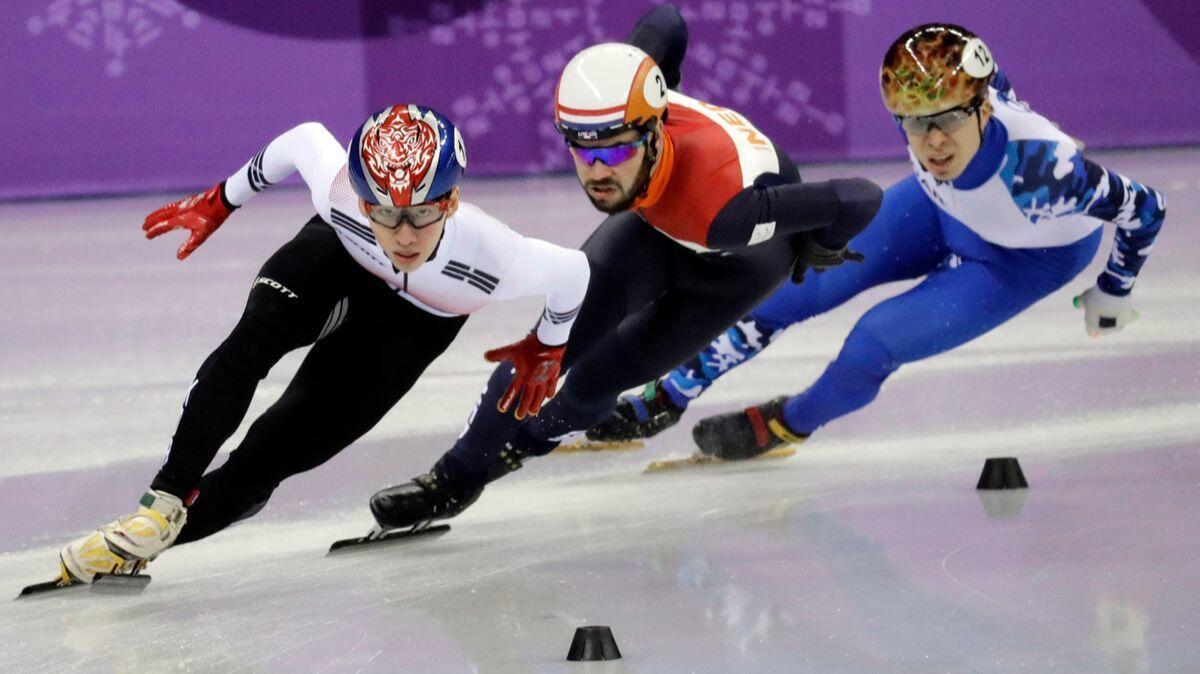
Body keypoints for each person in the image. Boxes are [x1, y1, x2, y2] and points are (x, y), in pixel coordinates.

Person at [368, 5, 884, 530]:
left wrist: (819, 245)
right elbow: (665, 20)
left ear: (655, 133)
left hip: (735, 262)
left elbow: (861, 197)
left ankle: (528, 443)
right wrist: (663, 77)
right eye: (580, 150)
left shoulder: (725, 212)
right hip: (656, 224)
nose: (596, 173)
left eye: (615, 155)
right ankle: (453, 481)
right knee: (546, 350)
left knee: (595, 381)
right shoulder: (629, 92)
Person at [53, 105, 590, 585]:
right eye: (384, 212)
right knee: (252, 341)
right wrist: (221, 199)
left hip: (414, 325)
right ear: (360, 198)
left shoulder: (493, 255)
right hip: (334, 261)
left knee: (273, 455)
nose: (403, 234)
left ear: (450, 201)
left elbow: (574, 273)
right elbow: (301, 138)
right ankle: (163, 500)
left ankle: (142, 545)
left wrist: (549, 345)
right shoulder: (340, 195)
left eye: (421, 213)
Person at [585, 23, 1166, 460]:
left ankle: (789, 423)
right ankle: (674, 392)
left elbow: (1147, 209)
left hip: (1024, 260)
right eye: (912, 121)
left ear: (983, 106)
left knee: (874, 340)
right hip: (940, 210)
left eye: (947, 120)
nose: (932, 141)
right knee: (791, 287)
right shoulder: (955, 112)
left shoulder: (1046, 171)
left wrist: (1112, 291)